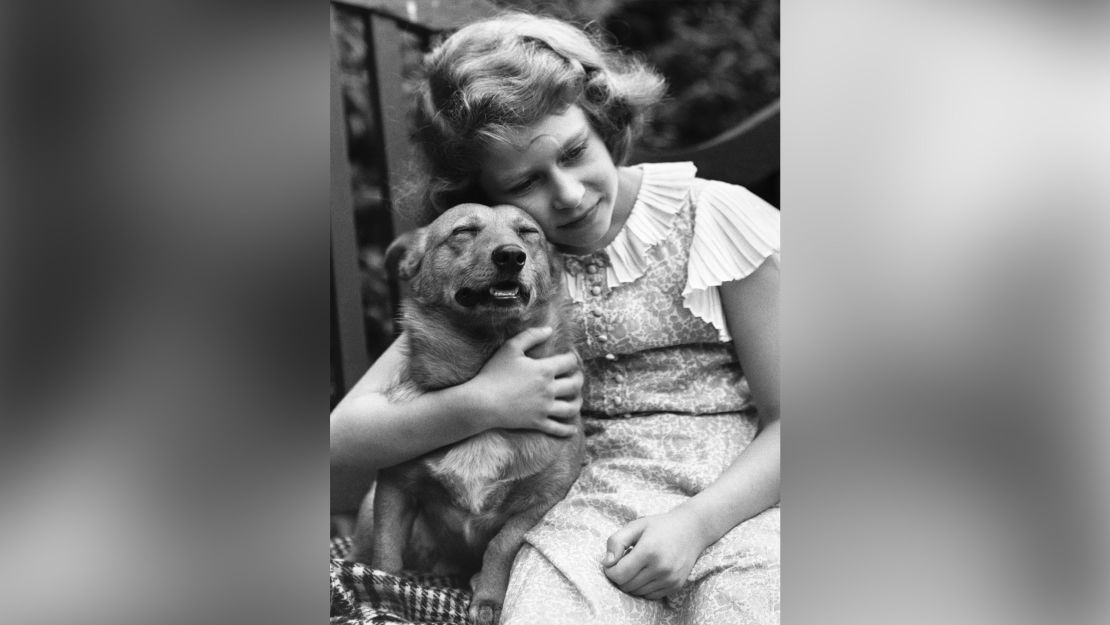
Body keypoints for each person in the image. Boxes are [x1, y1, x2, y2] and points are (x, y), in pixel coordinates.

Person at [330, 12, 780, 625]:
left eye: (574, 152)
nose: (566, 194)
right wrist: (482, 402)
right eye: (525, 182)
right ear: (484, 192)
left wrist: (697, 524)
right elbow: (343, 435)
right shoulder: (507, 272)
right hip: (581, 509)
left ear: (605, 121)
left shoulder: (713, 220)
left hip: (734, 501)